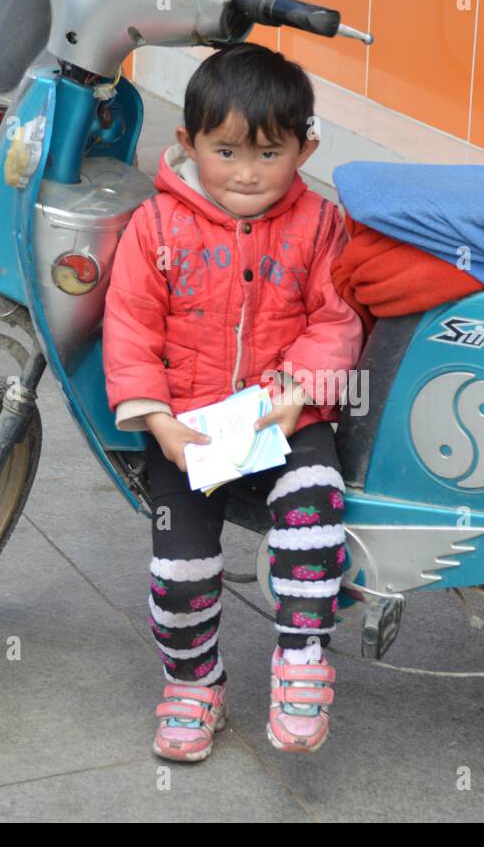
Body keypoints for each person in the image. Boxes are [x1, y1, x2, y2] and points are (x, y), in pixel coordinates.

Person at [102, 42, 365, 762]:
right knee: (179, 571)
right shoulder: (155, 227)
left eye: (269, 153)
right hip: (188, 426)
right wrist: (159, 423)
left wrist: (298, 392)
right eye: (226, 151)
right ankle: (194, 686)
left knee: (316, 510)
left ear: (304, 149)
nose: (247, 173)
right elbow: (129, 326)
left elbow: (336, 319)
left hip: (288, 415)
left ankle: (302, 660)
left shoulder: (319, 226)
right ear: (187, 143)